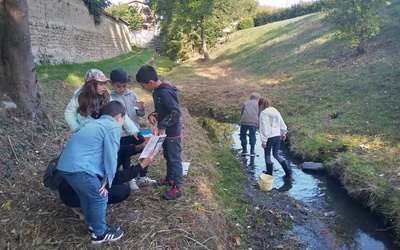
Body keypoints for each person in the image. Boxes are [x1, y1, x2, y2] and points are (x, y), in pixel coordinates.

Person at [57, 101, 129, 244]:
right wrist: (108, 179)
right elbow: (111, 154)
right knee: (100, 197)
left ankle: (93, 225)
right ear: (119, 117)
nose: (122, 122)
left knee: (86, 196)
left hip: (65, 167)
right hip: (79, 169)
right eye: (123, 119)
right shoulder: (113, 126)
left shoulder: (94, 123)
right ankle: (100, 233)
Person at [64, 69, 141, 190]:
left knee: (108, 156)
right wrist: (77, 129)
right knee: (92, 159)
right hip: (87, 135)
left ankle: (107, 181)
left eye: (105, 84)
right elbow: (69, 113)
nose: (104, 87)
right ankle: (92, 183)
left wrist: (133, 130)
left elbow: (120, 114)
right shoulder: (79, 96)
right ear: (91, 85)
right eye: (101, 84)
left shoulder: (106, 97)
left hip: (103, 133)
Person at [58, 150, 155, 218]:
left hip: (67, 186)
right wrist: (142, 165)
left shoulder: (87, 149)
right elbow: (119, 177)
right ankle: (90, 216)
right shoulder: (102, 156)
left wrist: (137, 147)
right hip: (73, 195)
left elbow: (122, 150)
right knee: (122, 190)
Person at [136, 65, 183, 200]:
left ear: (150, 82)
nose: (144, 88)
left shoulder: (164, 92)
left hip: (172, 133)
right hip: (165, 133)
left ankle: (178, 187)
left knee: (174, 159)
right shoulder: (156, 92)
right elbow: (163, 110)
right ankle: (170, 179)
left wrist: (163, 125)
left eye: (143, 86)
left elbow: (175, 112)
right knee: (168, 156)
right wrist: (153, 114)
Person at [109, 68, 156, 189]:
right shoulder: (110, 98)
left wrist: (141, 109)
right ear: (112, 84)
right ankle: (130, 179)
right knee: (125, 156)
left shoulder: (132, 94)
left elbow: (140, 114)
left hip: (135, 131)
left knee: (147, 148)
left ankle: (143, 175)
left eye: (124, 86)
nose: (122, 89)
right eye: (119, 86)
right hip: (121, 134)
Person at [258, 97, 292, 178]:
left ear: (260, 105)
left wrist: (264, 141)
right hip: (277, 136)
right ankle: (288, 171)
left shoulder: (263, 113)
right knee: (276, 154)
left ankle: (269, 173)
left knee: (267, 155)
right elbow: (281, 122)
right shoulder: (275, 111)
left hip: (269, 137)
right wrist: (283, 133)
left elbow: (264, 127)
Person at [239, 92, 261, 156]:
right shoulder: (258, 104)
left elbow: (242, 112)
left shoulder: (246, 103)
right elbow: (260, 113)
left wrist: (241, 121)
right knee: (252, 136)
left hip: (244, 121)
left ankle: (244, 150)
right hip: (253, 122)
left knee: (243, 135)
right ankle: (252, 152)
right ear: (257, 98)